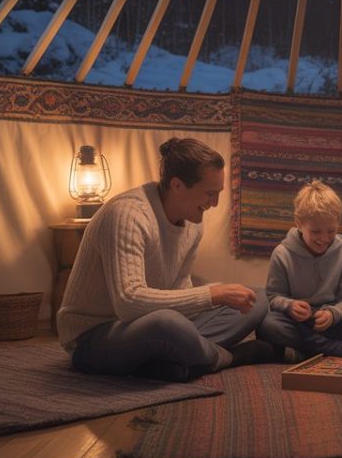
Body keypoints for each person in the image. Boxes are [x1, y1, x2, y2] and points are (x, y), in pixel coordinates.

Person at [57, 138, 275, 381]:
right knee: (166, 323)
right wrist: (213, 295)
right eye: (210, 194)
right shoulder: (127, 215)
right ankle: (227, 358)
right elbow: (128, 303)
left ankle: (173, 360)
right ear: (177, 185)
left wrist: (215, 299)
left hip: (154, 327)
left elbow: (180, 286)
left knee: (256, 298)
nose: (214, 203)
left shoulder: (192, 222)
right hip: (95, 336)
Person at [257, 180, 342, 360]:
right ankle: (340, 349)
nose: (324, 238)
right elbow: (273, 297)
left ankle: (302, 352)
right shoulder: (282, 254)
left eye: (331, 231)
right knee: (267, 324)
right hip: (298, 322)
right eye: (315, 232)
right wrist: (290, 306)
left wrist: (332, 314)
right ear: (298, 223)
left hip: (332, 321)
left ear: (338, 224)